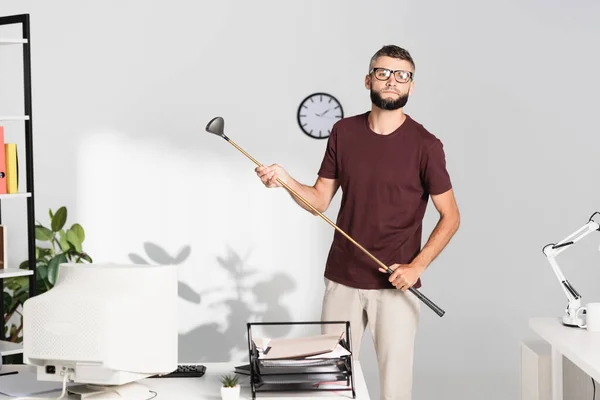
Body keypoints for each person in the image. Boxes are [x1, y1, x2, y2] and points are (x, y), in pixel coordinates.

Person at [255, 45, 460, 400]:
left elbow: (451, 217)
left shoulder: (426, 145)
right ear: (368, 80)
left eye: (402, 75)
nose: (392, 81)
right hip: (343, 280)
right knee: (330, 384)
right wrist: (286, 180)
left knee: (395, 390)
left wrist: (416, 266)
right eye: (383, 73)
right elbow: (319, 199)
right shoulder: (344, 132)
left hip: (396, 287)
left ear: (411, 86)